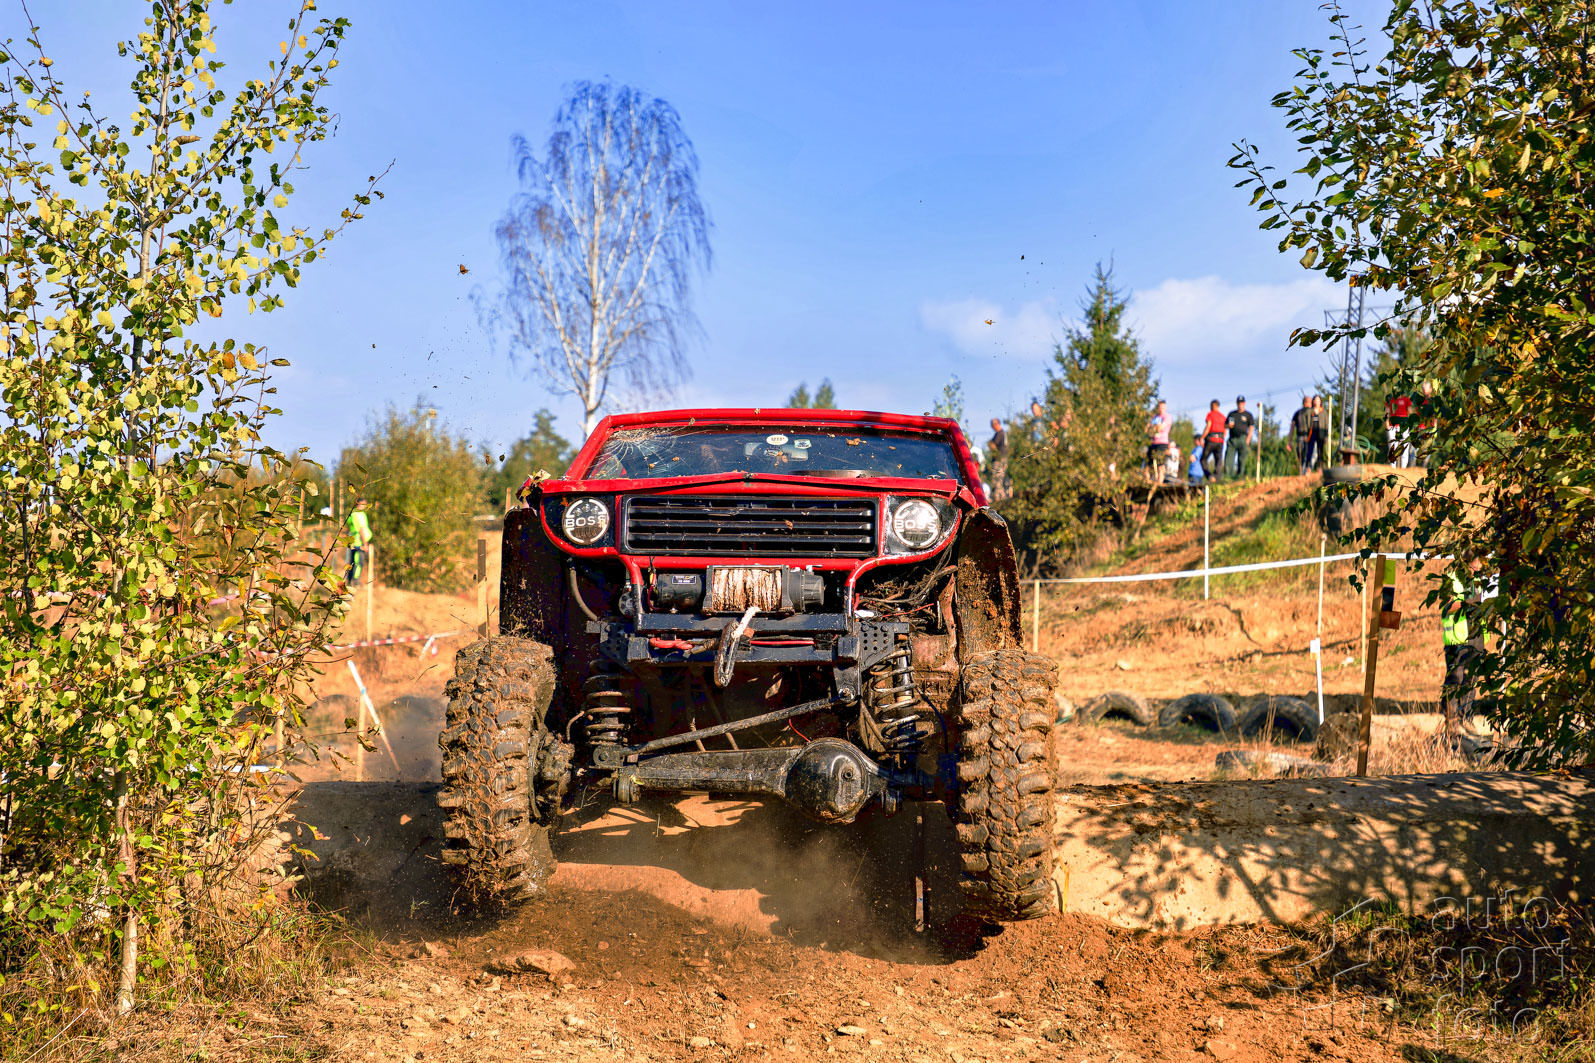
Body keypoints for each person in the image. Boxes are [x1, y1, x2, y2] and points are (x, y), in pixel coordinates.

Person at [1440, 558, 1496, 739]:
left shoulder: (1480, 579)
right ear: (1465, 561)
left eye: (1480, 564)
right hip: (1457, 638)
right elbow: (1446, 606)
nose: (1478, 567)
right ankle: (1451, 721)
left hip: (1476, 637)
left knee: (1472, 680)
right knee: (1455, 679)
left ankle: (1466, 718)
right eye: (1475, 564)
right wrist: (1466, 602)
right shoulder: (1451, 578)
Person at [1225, 395, 1257, 480]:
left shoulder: (1248, 415)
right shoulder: (1232, 414)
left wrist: (1248, 438)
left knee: (1242, 459)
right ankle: (1228, 477)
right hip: (1232, 439)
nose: (1240, 404)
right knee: (1229, 458)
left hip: (1243, 438)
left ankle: (1240, 476)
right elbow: (1225, 425)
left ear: (1244, 403)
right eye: (1239, 403)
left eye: (1242, 403)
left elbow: (1251, 427)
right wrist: (1229, 425)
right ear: (1237, 403)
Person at [345, 497, 373, 587]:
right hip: (359, 542)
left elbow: (349, 527)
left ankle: (349, 581)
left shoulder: (352, 514)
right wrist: (365, 544)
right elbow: (361, 529)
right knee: (359, 562)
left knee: (351, 562)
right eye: (363, 504)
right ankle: (356, 582)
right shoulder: (360, 515)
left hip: (352, 541)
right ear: (359, 504)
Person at [1145, 399, 1173, 482]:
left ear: (1165, 408)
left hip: (1162, 443)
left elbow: (1160, 428)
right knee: (1148, 463)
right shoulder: (1154, 417)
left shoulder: (1167, 417)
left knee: (1160, 464)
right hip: (1152, 442)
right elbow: (1146, 429)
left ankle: (1160, 483)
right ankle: (1148, 481)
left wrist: (1153, 428)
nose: (1161, 409)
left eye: (1163, 407)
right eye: (1160, 407)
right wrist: (1154, 427)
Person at [1200, 399, 1227, 480]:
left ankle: (1209, 476)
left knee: (1203, 460)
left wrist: (1202, 437)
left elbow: (1208, 426)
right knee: (1218, 460)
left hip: (1211, 440)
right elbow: (1225, 430)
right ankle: (1217, 478)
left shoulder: (1210, 414)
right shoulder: (1223, 417)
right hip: (1220, 441)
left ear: (1212, 406)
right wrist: (1222, 439)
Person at [985, 417, 1009, 502]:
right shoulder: (1003, 433)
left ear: (996, 424)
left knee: (997, 480)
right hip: (1002, 459)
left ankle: (998, 499)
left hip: (998, 460)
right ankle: (1001, 499)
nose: (992, 427)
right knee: (1000, 480)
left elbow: (993, 446)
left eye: (992, 425)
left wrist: (990, 444)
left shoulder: (999, 434)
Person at [1289, 395, 1315, 476]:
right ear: (1309, 403)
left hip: (1299, 437)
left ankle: (1302, 472)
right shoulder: (1312, 412)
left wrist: (1289, 441)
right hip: (1309, 436)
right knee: (1311, 454)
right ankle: (1307, 471)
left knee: (1301, 456)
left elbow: (1292, 427)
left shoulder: (1297, 413)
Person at [1304, 395, 1326, 471]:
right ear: (1313, 401)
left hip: (1321, 433)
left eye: (1318, 400)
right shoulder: (1310, 411)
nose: (1317, 401)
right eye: (1315, 400)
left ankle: (1320, 468)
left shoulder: (1323, 412)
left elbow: (1326, 424)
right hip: (1311, 432)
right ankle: (1308, 467)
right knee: (1310, 450)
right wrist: (1306, 434)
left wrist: (1326, 436)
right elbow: (1306, 423)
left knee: (1320, 451)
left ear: (1320, 401)